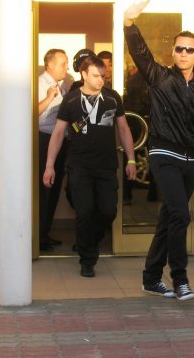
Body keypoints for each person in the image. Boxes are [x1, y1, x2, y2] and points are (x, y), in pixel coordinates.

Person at [124, 0, 194, 301]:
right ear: (173, 52)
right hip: (164, 155)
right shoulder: (160, 77)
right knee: (181, 214)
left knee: (169, 219)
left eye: (189, 49)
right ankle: (180, 280)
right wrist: (129, 23)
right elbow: (140, 53)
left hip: (191, 159)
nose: (183, 53)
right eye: (179, 48)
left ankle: (151, 278)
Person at [43, 55, 136, 277]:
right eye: (95, 76)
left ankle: (90, 243)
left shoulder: (112, 98)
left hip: (106, 166)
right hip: (80, 166)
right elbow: (58, 133)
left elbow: (123, 129)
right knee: (84, 212)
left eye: (103, 76)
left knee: (108, 211)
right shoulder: (71, 99)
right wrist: (49, 165)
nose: (100, 80)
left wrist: (131, 159)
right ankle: (87, 260)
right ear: (84, 75)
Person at [38, 48, 69, 252]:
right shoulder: (40, 84)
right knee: (44, 189)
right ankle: (39, 236)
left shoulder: (63, 85)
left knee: (55, 187)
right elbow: (30, 112)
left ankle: (45, 233)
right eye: (63, 64)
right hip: (45, 140)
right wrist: (49, 97)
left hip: (61, 141)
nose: (67, 68)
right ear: (49, 65)